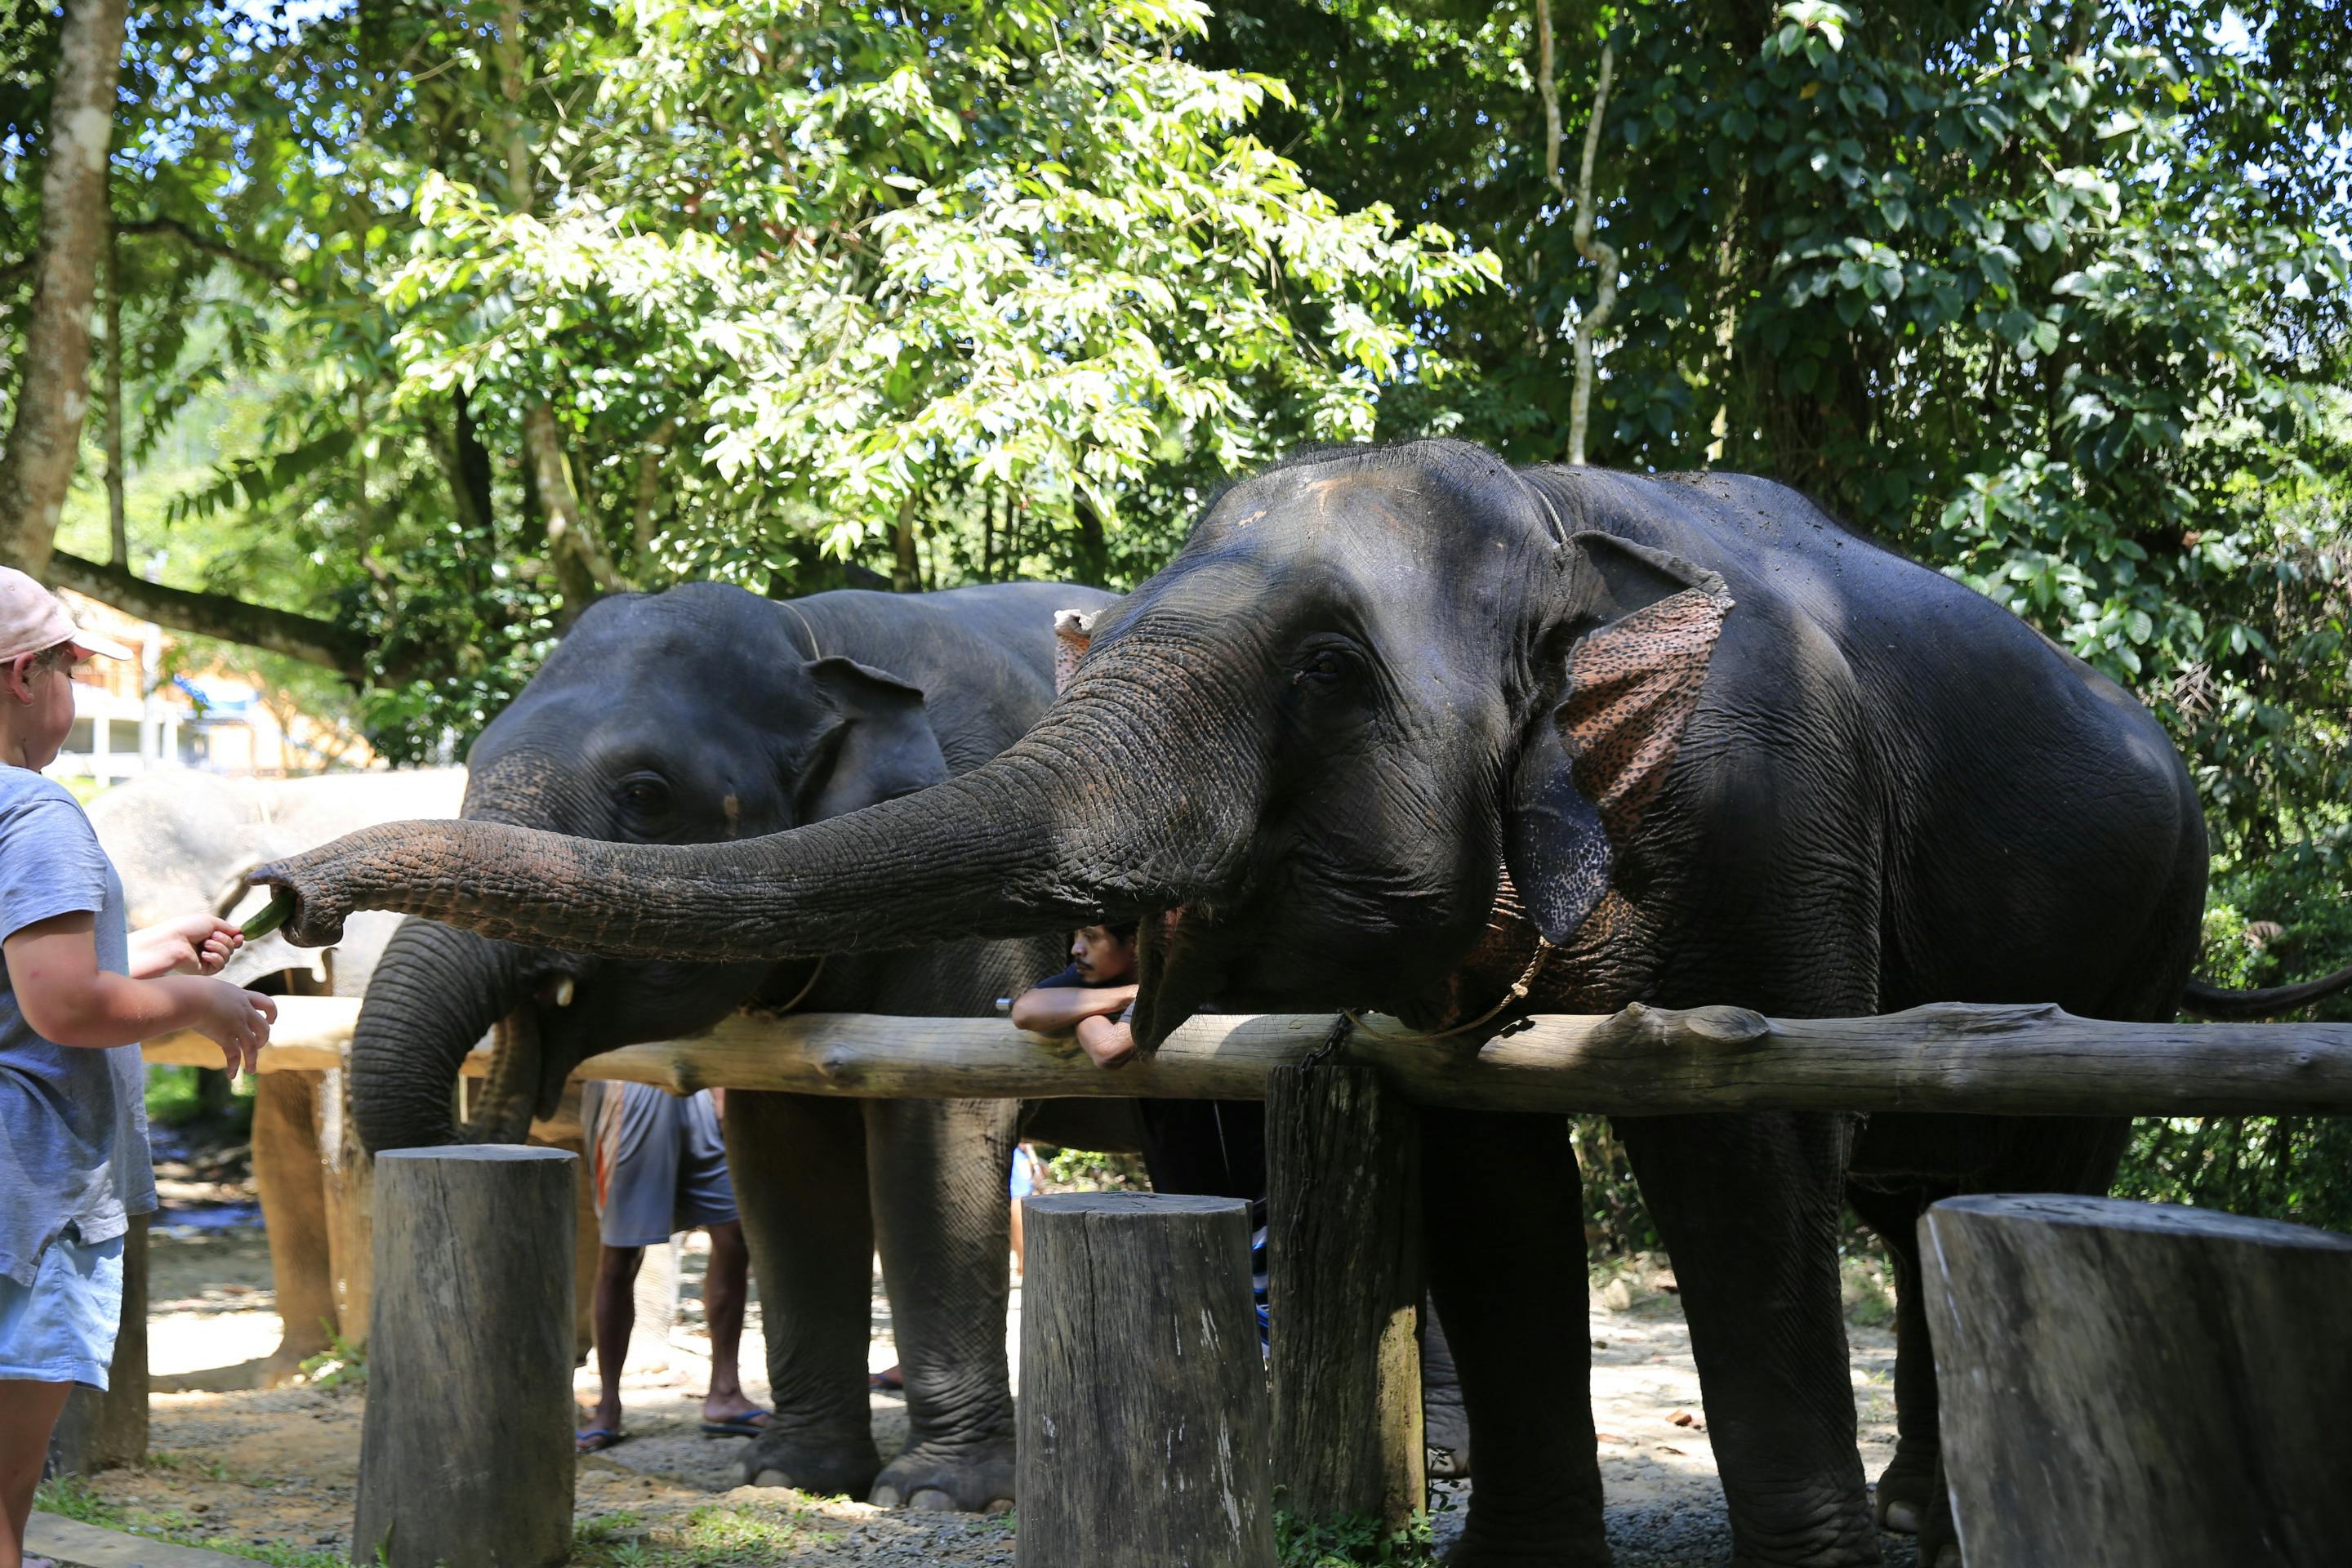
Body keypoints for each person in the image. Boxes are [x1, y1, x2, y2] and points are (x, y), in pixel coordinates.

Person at [0, 574, 275, 1568]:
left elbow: (27, 975)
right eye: (72, 671)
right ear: (24, 675)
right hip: (25, 1192)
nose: (77, 695)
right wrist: (203, 1003)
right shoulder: (33, 812)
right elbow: (63, 1004)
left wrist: (147, 949)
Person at [575, 1081, 766, 1451]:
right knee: (621, 1254)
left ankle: (725, 1392)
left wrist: (724, 1090)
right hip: (629, 1083)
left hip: (702, 1081)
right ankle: (609, 1406)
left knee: (734, 1234)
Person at [1011, 924, 1264, 1202]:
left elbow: (1108, 1048)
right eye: (1077, 935)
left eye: (1092, 938)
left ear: (1136, 945)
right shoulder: (1095, 973)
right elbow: (1025, 1010)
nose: (1076, 948)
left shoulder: (1177, 972)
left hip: (1237, 1143)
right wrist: (1124, 995)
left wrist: (1080, 1012)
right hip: (1173, 1141)